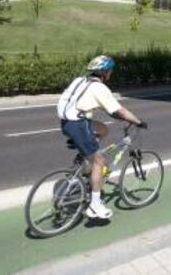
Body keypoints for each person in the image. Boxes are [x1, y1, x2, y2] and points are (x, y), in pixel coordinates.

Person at [57, 55, 146, 220]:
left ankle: (85, 159)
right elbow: (117, 111)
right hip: (78, 125)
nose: (111, 73)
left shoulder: (79, 80)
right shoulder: (100, 88)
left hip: (66, 122)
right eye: (110, 71)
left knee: (103, 129)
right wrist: (137, 121)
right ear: (105, 72)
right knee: (100, 162)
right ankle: (95, 206)